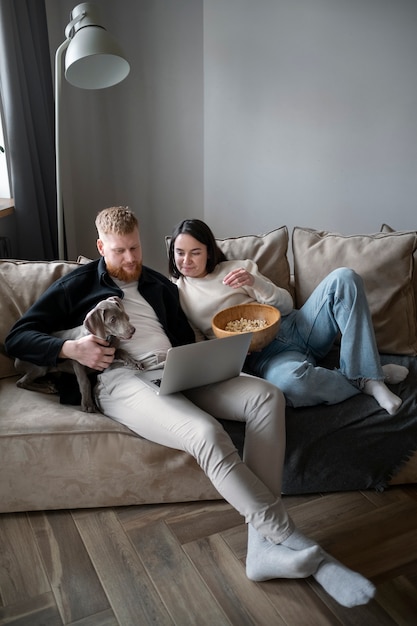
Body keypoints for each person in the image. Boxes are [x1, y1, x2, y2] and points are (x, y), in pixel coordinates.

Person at [6, 206, 376, 608]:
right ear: (100, 247)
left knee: (266, 397)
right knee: (204, 432)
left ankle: (261, 550)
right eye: (119, 251)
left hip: (178, 368)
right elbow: (18, 337)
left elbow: (185, 336)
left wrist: (210, 358)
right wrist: (71, 347)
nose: (130, 259)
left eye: (135, 248)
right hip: (124, 380)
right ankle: (295, 542)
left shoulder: (159, 284)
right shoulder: (76, 285)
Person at [168, 218, 408, 415]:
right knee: (291, 386)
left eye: (195, 252)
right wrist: (231, 354)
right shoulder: (177, 293)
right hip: (267, 357)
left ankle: (370, 378)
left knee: (344, 278)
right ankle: (368, 375)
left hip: (297, 326)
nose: (186, 261)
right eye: (180, 253)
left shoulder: (237, 268)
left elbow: (286, 304)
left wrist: (255, 282)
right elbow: (199, 342)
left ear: (208, 253)